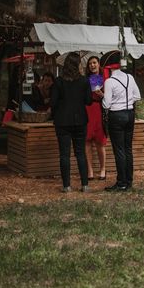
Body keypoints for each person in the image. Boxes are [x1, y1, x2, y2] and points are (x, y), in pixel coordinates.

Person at [50, 52, 92, 193]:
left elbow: (53, 102)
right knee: (80, 153)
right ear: (78, 65)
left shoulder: (58, 81)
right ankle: (85, 184)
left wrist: (55, 115)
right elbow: (88, 101)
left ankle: (67, 186)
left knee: (64, 154)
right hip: (80, 120)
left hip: (62, 121)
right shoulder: (84, 81)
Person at [102, 50, 141, 192]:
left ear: (108, 67)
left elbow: (106, 104)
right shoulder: (130, 77)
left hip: (116, 116)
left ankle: (121, 182)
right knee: (128, 149)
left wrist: (105, 98)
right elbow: (137, 96)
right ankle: (129, 181)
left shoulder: (109, 81)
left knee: (119, 150)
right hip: (130, 114)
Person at [84, 56, 107, 181]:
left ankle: (103, 169)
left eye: (94, 63)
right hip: (87, 109)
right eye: (90, 64)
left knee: (100, 142)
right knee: (87, 141)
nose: (92, 65)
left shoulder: (106, 78)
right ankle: (90, 171)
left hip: (100, 109)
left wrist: (103, 95)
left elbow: (110, 97)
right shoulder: (86, 79)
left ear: (99, 64)